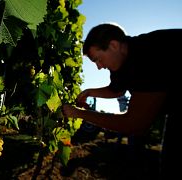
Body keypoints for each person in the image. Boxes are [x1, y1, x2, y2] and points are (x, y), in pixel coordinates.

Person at [62, 23, 181, 179]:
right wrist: (90, 92)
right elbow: (117, 90)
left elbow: (134, 124)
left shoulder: (148, 56)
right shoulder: (122, 64)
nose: (99, 67)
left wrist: (78, 113)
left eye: (98, 59)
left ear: (114, 45)